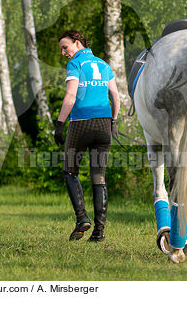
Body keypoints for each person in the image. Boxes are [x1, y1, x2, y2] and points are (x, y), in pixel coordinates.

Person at [55, 30, 120, 242]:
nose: (64, 52)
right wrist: (114, 120)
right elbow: (115, 96)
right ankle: (99, 232)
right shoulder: (104, 64)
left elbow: (71, 95)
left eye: (66, 47)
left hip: (81, 123)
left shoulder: (75, 64)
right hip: (104, 123)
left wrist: (59, 124)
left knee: (70, 171)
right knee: (99, 177)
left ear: (77, 42)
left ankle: (82, 218)